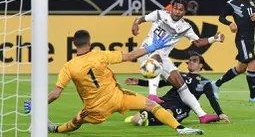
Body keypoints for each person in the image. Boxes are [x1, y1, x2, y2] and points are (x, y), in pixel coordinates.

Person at [24, 30, 204, 135]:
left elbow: (55, 94)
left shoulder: (69, 66)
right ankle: (180, 128)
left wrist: (36, 105)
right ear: (90, 43)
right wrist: (152, 47)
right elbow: (129, 56)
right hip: (118, 97)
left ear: (74, 44)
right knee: (151, 105)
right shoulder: (100, 55)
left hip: (95, 108)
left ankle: (54, 129)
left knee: (76, 122)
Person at [131, 0, 225, 122]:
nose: (177, 12)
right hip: (147, 52)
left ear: (184, 12)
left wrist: (214, 39)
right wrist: (136, 23)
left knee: (181, 84)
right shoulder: (159, 14)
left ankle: (202, 115)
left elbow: (197, 42)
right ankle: (152, 95)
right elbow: (142, 19)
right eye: (175, 8)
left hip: (162, 57)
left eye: (181, 10)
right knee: (157, 55)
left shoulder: (185, 27)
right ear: (171, 8)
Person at [124, 53, 230, 126]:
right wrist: (139, 82)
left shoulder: (205, 82)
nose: (191, 63)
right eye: (189, 61)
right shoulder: (180, 75)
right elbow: (161, 84)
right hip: (166, 99)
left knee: (169, 113)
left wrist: (220, 113)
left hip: (181, 106)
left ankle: (149, 121)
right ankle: (144, 118)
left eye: (194, 61)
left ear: (201, 65)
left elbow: (212, 99)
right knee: (135, 119)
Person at [211, 0, 255, 102]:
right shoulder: (232, 3)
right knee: (252, 63)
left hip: (250, 37)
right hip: (242, 38)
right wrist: (230, 23)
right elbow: (221, 17)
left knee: (241, 68)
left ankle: (216, 84)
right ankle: (253, 97)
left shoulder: (252, 1)